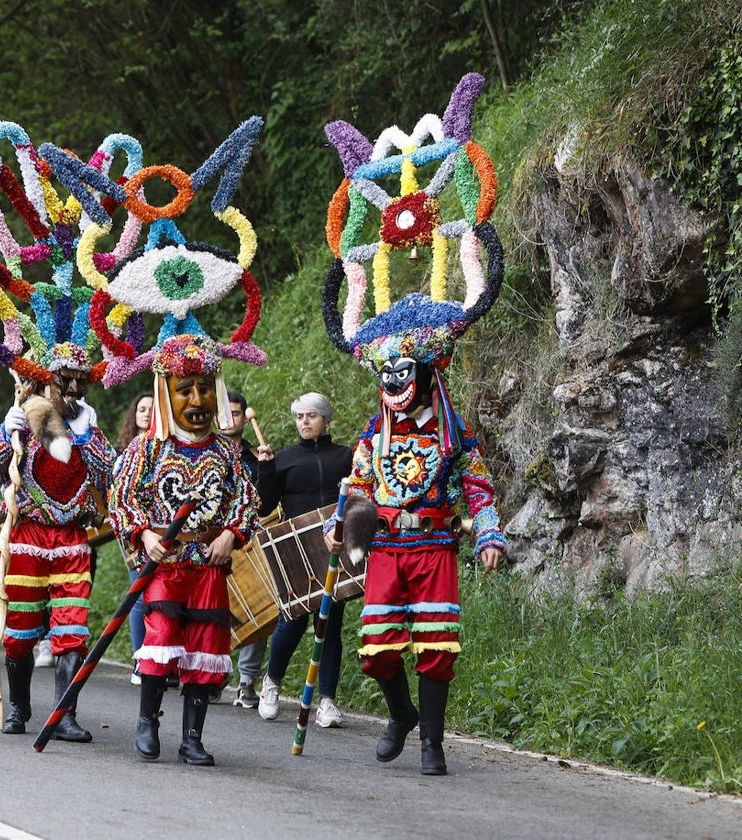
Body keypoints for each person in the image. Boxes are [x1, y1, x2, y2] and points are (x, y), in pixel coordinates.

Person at [318, 73, 507, 775]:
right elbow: (357, 485)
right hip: (388, 551)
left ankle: (429, 741)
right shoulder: (376, 435)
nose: (395, 383)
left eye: (406, 373)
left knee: (437, 646)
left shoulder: (452, 434)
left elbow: (479, 487)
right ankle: (397, 714)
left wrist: (487, 532)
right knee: (373, 649)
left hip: (434, 546)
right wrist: (343, 524)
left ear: (426, 372)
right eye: (386, 375)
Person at [109, 335, 259, 766]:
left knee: (205, 646)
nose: (197, 399)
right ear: (165, 394)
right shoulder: (147, 449)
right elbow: (122, 500)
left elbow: (246, 501)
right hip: (165, 564)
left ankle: (192, 737)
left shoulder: (229, 452)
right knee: (160, 641)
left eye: (205, 388)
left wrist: (231, 534)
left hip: (209, 567)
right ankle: (147, 722)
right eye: (185, 389)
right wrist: (144, 535)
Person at [0, 362, 114, 741]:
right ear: (44, 382)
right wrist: (7, 432)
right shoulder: (24, 421)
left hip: (71, 538)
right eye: (62, 381)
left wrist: (87, 435)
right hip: (26, 535)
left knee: (72, 628)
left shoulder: (88, 426)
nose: (72, 389)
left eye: (79, 382)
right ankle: (19, 707)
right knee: (20, 631)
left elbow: (109, 475)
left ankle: (64, 715)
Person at [252, 393, 353, 728]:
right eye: (299, 417)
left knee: (330, 625)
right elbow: (264, 506)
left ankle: (326, 701)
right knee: (292, 621)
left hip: (333, 545)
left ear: (325, 419)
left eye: (311, 416)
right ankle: (271, 685)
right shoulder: (284, 458)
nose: (305, 422)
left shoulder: (345, 458)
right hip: (295, 547)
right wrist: (265, 469)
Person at [218, 391, 264, 708]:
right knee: (214, 608)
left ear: (245, 417)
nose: (229, 419)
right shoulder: (204, 454)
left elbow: (266, 499)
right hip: (212, 539)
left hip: (247, 538)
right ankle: (215, 670)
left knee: (256, 606)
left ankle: (246, 680)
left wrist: (268, 467)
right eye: (224, 412)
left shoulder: (255, 458)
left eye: (235, 413)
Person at [112, 391, 154, 684]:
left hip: (165, 527)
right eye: (141, 408)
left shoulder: (168, 445)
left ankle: (162, 657)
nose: (146, 413)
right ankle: (140, 658)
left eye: (152, 408)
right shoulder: (122, 451)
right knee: (138, 592)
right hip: (135, 531)